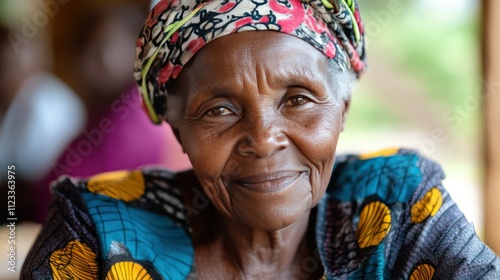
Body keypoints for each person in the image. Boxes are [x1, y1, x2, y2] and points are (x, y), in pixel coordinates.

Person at [22, 0, 500, 279]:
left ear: (343, 110)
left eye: (298, 99)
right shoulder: (98, 230)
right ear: (177, 129)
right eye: (220, 110)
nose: (265, 139)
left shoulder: (399, 204)